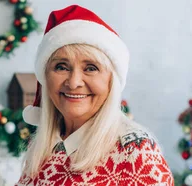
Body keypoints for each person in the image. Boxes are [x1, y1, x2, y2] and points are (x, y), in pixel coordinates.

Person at [17, 5, 174, 186]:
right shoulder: (42, 148)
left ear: (111, 81)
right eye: (61, 66)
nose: (74, 82)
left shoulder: (136, 151)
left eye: (91, 68)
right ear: (45, 76)